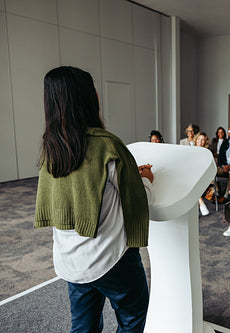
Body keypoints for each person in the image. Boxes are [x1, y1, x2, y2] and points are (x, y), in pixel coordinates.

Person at [34, 66, 153, 332]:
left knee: (84, 327)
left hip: (71, 262)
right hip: (112, 259)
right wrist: (144, 179)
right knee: (134, 318)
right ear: (87, 97)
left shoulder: (49, 150)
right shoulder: (107, 146)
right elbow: (136, 200)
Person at [196, 132, 211, 216]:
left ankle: (200, 202)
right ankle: (201, 202)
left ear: (205, 142)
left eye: (203, 140)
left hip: (203, 175)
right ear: (196, 140)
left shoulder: (207, 152)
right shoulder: (191, 150)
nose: (200, 142)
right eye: (199, 139)